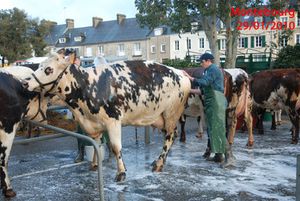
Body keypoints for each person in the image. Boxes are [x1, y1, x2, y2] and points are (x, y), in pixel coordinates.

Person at [183, 53, 234, 167]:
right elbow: (203, 90)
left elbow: (204, 82)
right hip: (211, 101)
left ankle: (229, 157)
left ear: (208, 61)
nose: (201, 64)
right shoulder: (208, 71)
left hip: (216, 101)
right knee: (212, 129)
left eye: (202, 62)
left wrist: (190, 78)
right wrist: (188, 90)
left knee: (218, 129)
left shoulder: (213, 69)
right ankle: (218, 156)